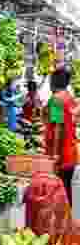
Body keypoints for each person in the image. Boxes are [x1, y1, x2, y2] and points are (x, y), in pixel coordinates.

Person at [45, 66, 78, 205]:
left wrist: (55, 153)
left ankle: (63, 223)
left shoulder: (55, 100)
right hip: (71, 151)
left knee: (60, 192)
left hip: (62, 154)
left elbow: (59, 127)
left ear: (54, 81)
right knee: (66, 190)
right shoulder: (69, 98)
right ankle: (66, 222)